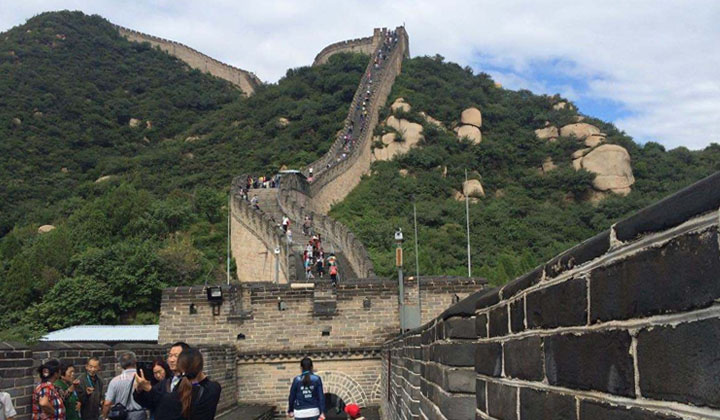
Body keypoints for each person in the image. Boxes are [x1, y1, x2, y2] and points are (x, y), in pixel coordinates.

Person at [134, 348, 221, 420]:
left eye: (176, 356)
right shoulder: (213, 387)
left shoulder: (191, 390)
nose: (172, 360)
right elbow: (150, 401)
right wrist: (140, 390)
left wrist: (149, 388)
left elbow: (167, 401)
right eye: (170, 355)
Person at [102, 352, 146, 420]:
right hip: (139, 415)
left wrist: (104, 417)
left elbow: (107, 403)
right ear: (135, 362)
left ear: (121, 364)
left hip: (121, 415)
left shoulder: (115, 381)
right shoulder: (142, 379)